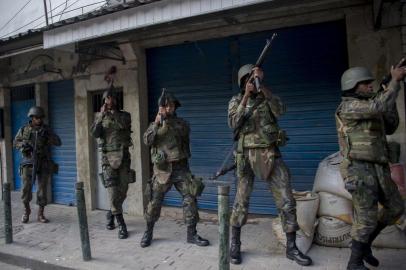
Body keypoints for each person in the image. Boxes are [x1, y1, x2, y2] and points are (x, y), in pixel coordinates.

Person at [228, 64, 312, 266]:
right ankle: (235, 245)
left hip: (270, 153)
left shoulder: (267, 98)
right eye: (249, 79)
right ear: (242, 82)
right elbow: (233, 123)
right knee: (241, 202)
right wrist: (247, 96)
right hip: (246, 156)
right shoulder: (236, 100)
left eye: (254, 78)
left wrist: (262, 87)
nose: (253, 82)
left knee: (287, 200)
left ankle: (291, 247)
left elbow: (281, 109)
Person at [336, 62, 406, 270]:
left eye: (370, 83)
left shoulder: (373, 103)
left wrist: (389, 91)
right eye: (365, 83)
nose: (369, 86)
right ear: (353, 86)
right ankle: (354, 263)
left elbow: (391, 125)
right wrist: (394, 81)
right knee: (366, 217)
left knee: (395, 208)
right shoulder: (348, 106)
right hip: (358, 169)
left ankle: (364, 245)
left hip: (378, 167)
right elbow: (378, 107)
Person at [140, 91, 209, 248]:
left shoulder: (181, 124)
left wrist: (166, 122)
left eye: (171, 105)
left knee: (190, 198)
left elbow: (182, 136)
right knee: (154, 203)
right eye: (166, 105)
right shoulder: (155, 125)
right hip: (162, 170)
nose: (169, 108)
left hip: (180, 168)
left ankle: (192, 234)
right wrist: (157, 122)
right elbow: (147, 140)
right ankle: (148, 232)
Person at [90, 89, 135, 239]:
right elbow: (95, 133)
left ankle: (111, 213)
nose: (110, 100)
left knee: (123, 191)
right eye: (107, 98)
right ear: (104, 100)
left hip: (123, 157)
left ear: (116, 99)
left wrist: (111, 113)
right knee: (113, 192)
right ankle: (122, 225)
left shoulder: (125, 116)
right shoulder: (100, 117)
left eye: (112, 97)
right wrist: (101, 116)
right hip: (107, 159)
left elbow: (123, 126)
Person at [13, 106, 61, 223]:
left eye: (40, 118)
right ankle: (26, 210)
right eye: (36, 117)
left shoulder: (46, 130)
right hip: (28, 162)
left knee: (42, 189)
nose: (39, 120)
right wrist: (23, 144)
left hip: (43, 162)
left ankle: (40, 213)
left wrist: (48, 136)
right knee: (25, 189)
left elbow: (58, 142)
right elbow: (15, 143)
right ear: (32, 117)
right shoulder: (24, 129)